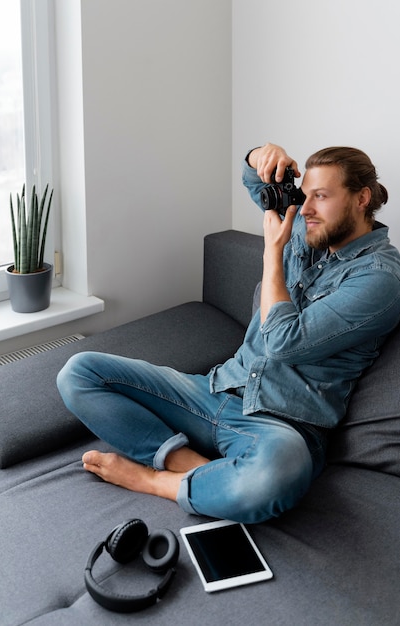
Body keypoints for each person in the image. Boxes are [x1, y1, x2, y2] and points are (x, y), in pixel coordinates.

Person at [57, 143, 400, 524]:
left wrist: (273, 256)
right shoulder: (308, 226)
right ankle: (186, 464)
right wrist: (261, 156)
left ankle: (156, 481)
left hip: (282, 427)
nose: (305, 210)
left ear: (361, 199)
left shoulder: (379, 279)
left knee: (276, 477)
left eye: (321, 197)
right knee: (78, 372)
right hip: (216, 390)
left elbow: (284, 342)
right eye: (305, 196)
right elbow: (256, 181)